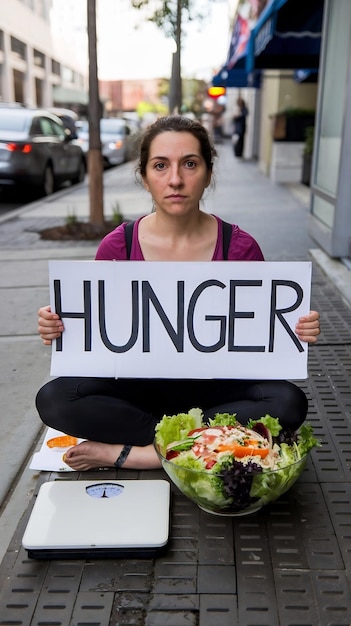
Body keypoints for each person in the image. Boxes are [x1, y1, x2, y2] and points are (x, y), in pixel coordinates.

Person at [36, 115, 320, 472]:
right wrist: (61, 326)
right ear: (144, 176)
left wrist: (295, 329)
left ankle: (139, 454)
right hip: (138, 390)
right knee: (55, 399)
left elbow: (261, 338)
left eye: (189, 164)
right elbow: (100, 335)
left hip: (215, 392)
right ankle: (203, 446)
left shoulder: (240, 247)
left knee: (288, 402)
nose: (175, 179)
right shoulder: (117, 246)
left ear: (208, 172)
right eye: (160, 165)